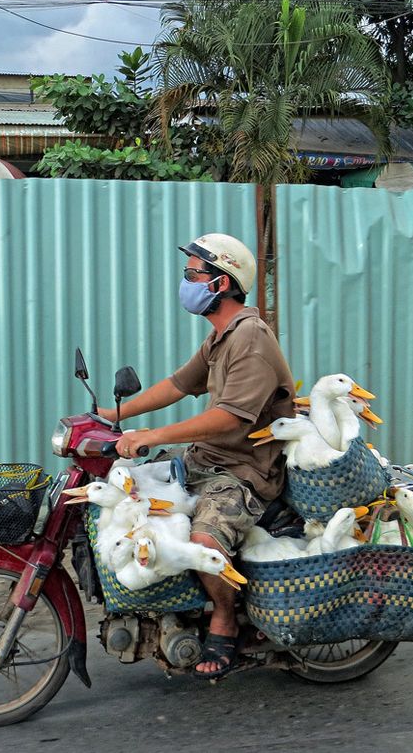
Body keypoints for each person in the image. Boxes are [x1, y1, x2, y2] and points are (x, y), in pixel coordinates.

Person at [98, 232, 295, 679]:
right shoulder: (221, 337)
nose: (185, 282)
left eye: (193, 275)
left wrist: (153, 435)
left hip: (242, 473)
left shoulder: (251, 338)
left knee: (203, 542)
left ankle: (224, 622)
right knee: (126, 490)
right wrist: (114, 414)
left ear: (220, 284)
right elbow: (179, 385)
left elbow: (231, 418)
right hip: (205, 461)